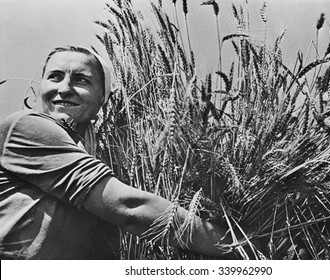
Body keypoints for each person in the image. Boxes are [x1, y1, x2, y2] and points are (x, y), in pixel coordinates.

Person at [0, 46, 245, 259]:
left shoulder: (108, 165)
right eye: (54, 77)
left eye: (81, 80)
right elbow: (129, 207)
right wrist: (238, 245)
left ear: (102, 99)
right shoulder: (25, 126)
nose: (64, 88)